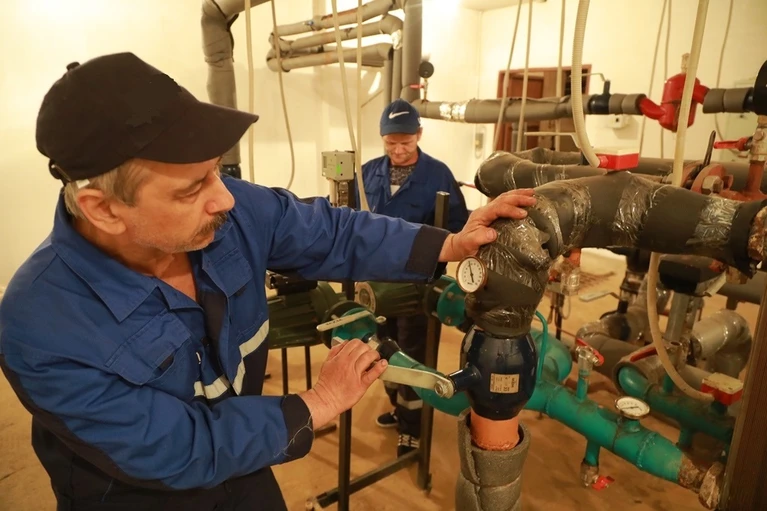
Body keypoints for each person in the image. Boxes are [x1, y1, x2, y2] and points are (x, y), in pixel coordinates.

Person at [0, 52, 536, 511]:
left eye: (216, 170)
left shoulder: (232, 211)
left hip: (246, 469)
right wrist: (318, 402)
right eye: (191, 188)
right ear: (104, 209)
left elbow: (332, 232)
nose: (224, 198)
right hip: (142, 495)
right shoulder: (40, 325)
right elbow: (176, 447)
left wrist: (448, 245)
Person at [357, 98, 470, 456]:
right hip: (376, 282)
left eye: (405, 142)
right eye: (390, 142)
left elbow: (457, 226)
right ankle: (398, 406)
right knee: (381, 346)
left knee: (412, 353)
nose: (398, 150)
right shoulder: (367, 172)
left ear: (419, 134)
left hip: (417, 284)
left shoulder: (438, 175)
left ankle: (412, 427)